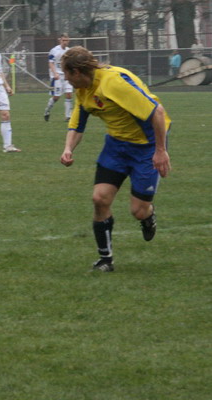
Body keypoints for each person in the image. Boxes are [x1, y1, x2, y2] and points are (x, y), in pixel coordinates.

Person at [59, 46, 171, 272]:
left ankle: (148, 216)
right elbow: (78, 124)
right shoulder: (84, 88)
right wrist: (68, 148)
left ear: (77, 72)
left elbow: (157, 112)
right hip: (116, 147)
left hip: (146, 147)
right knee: (100, 199)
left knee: (138, 211)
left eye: (67, 74)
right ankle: (105, 259)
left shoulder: (113, 83)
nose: (66, 80)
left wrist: (160, 150)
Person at [44, 33, 74, 122]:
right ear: (60, 40)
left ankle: (68, 116)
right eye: (63, 40)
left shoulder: (69, 51)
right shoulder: (54, 50)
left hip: (66, 76)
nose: (65, 42)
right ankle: (47, 110)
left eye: (67, 40)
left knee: (69, 94)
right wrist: (55, 73)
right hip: (57, 76)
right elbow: (50, 63)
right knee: (56, 97)